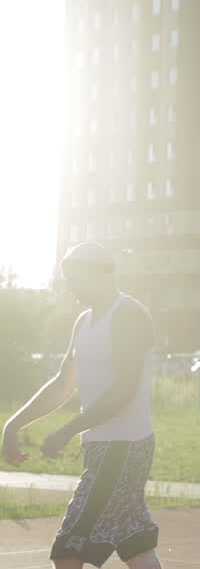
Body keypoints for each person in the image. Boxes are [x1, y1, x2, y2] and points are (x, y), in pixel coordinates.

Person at [1, 242, 163, 569]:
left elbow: (124, 391)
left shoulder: (129, 315)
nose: (68, 285)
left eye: (73, 277)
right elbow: (63, 383)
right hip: (102, 449)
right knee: (135, 545)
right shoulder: (84, 321)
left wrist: (67, 430)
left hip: (124, 448)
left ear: (98, 273)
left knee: (68, 550)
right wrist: (14, 424)